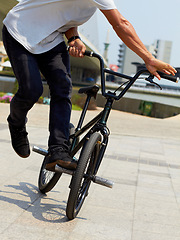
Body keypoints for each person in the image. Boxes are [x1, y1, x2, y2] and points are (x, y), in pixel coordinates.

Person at [2, 0, 176, 171]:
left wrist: (74, 37)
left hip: (51, 41)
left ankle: (58, 150)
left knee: (63, 88)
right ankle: (16, 124)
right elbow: (121, 24)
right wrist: (149, 59)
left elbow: (66, 16)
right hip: (19, 31)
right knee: (32, 89)